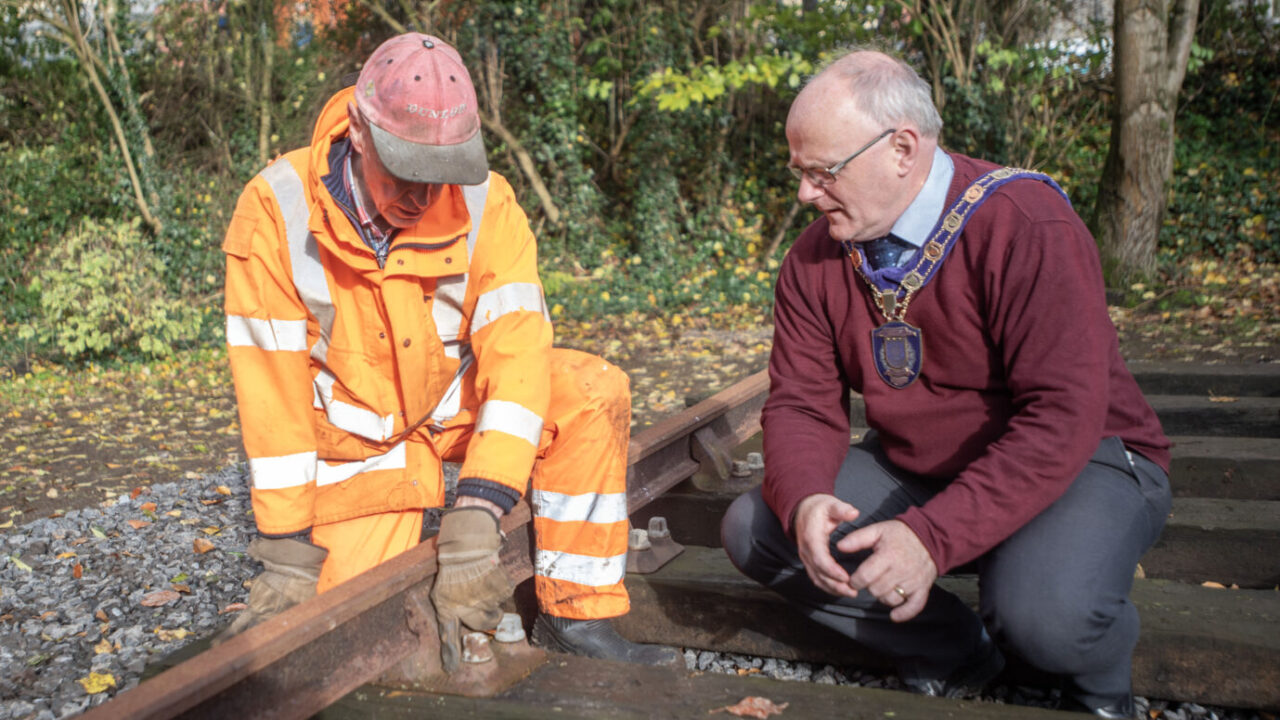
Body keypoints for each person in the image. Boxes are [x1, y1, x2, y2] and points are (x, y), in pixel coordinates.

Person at [720, 48, 1171, 718]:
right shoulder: (814, 259)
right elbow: (801, 405)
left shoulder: (1026, 223)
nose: (806, 194)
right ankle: (954, 649)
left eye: (823, 172)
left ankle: (1098, 692)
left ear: (902, 149)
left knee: (1046, 617)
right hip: (925, 467)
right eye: (800, 172)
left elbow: (1064, 416)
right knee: (758, 527)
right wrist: (807, 499)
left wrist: (932, 537)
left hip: (1085, 460)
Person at [219, 32, 676, 670]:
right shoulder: (277, 209)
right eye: (406, 173)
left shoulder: (490, 203)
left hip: (454, 408)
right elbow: (273, 396)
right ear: (358, 128)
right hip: (359, 442)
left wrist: (480, 510)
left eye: (441, 176)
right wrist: (288, 550)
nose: (424, 196)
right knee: (344, 637)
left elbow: (517, 360)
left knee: (588, 389)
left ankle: (577, 614)